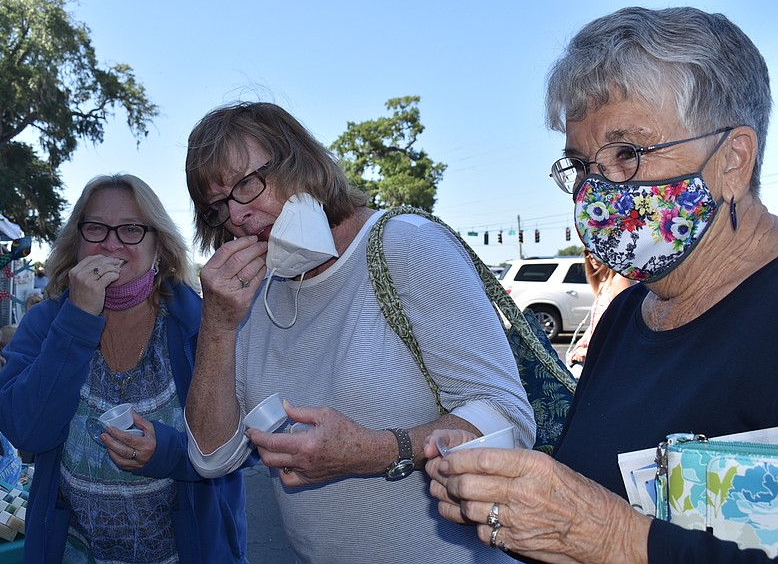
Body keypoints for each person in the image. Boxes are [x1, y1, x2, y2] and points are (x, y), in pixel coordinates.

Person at [424, 6, 778, 563]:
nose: (596, 191)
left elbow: (600, 528)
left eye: (628, 153)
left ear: (733, 160)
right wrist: (518, 506)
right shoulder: (625, 315)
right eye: (583, 165)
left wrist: (608, 537)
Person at [183, 101, 535, 563]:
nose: (238, 216)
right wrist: (218, 324)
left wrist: (372, 451)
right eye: (218, 206)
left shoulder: (406, 244)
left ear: (300, 161)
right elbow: (212, 457)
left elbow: (509, 419)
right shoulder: (251, 298)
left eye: (247, 184)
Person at [0, 174, 248, 563]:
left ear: (157, 244)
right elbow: (26, 429)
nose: (112, 244)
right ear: (77, 241)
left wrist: (170, 452)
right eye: (96, 228)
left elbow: (247, 440)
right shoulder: (47, 322)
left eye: (131, 229)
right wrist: (77, 319)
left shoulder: (200, 322)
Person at [565, 250, 634, 368]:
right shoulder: (604, 282)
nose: (591, 256)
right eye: (588, 251)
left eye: (596, 250)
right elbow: (598, 323)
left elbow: (624, 329)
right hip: (598, 357)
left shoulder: (620, 280)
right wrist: (583, 341)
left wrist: (590, 351)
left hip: (610, 361)